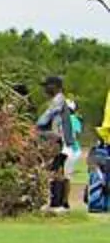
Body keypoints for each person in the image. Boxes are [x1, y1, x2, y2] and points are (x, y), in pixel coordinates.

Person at [36, 75, 83, 213]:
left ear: (56, 87)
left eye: (47, 86)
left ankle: (57, 204)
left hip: (61, 141)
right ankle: (58, 203)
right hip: (60, 140)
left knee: (56, 171)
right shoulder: (57, 100)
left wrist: (35, 127)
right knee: (58, 171)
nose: (45, 89)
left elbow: (45, 119)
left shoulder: (59, 100)